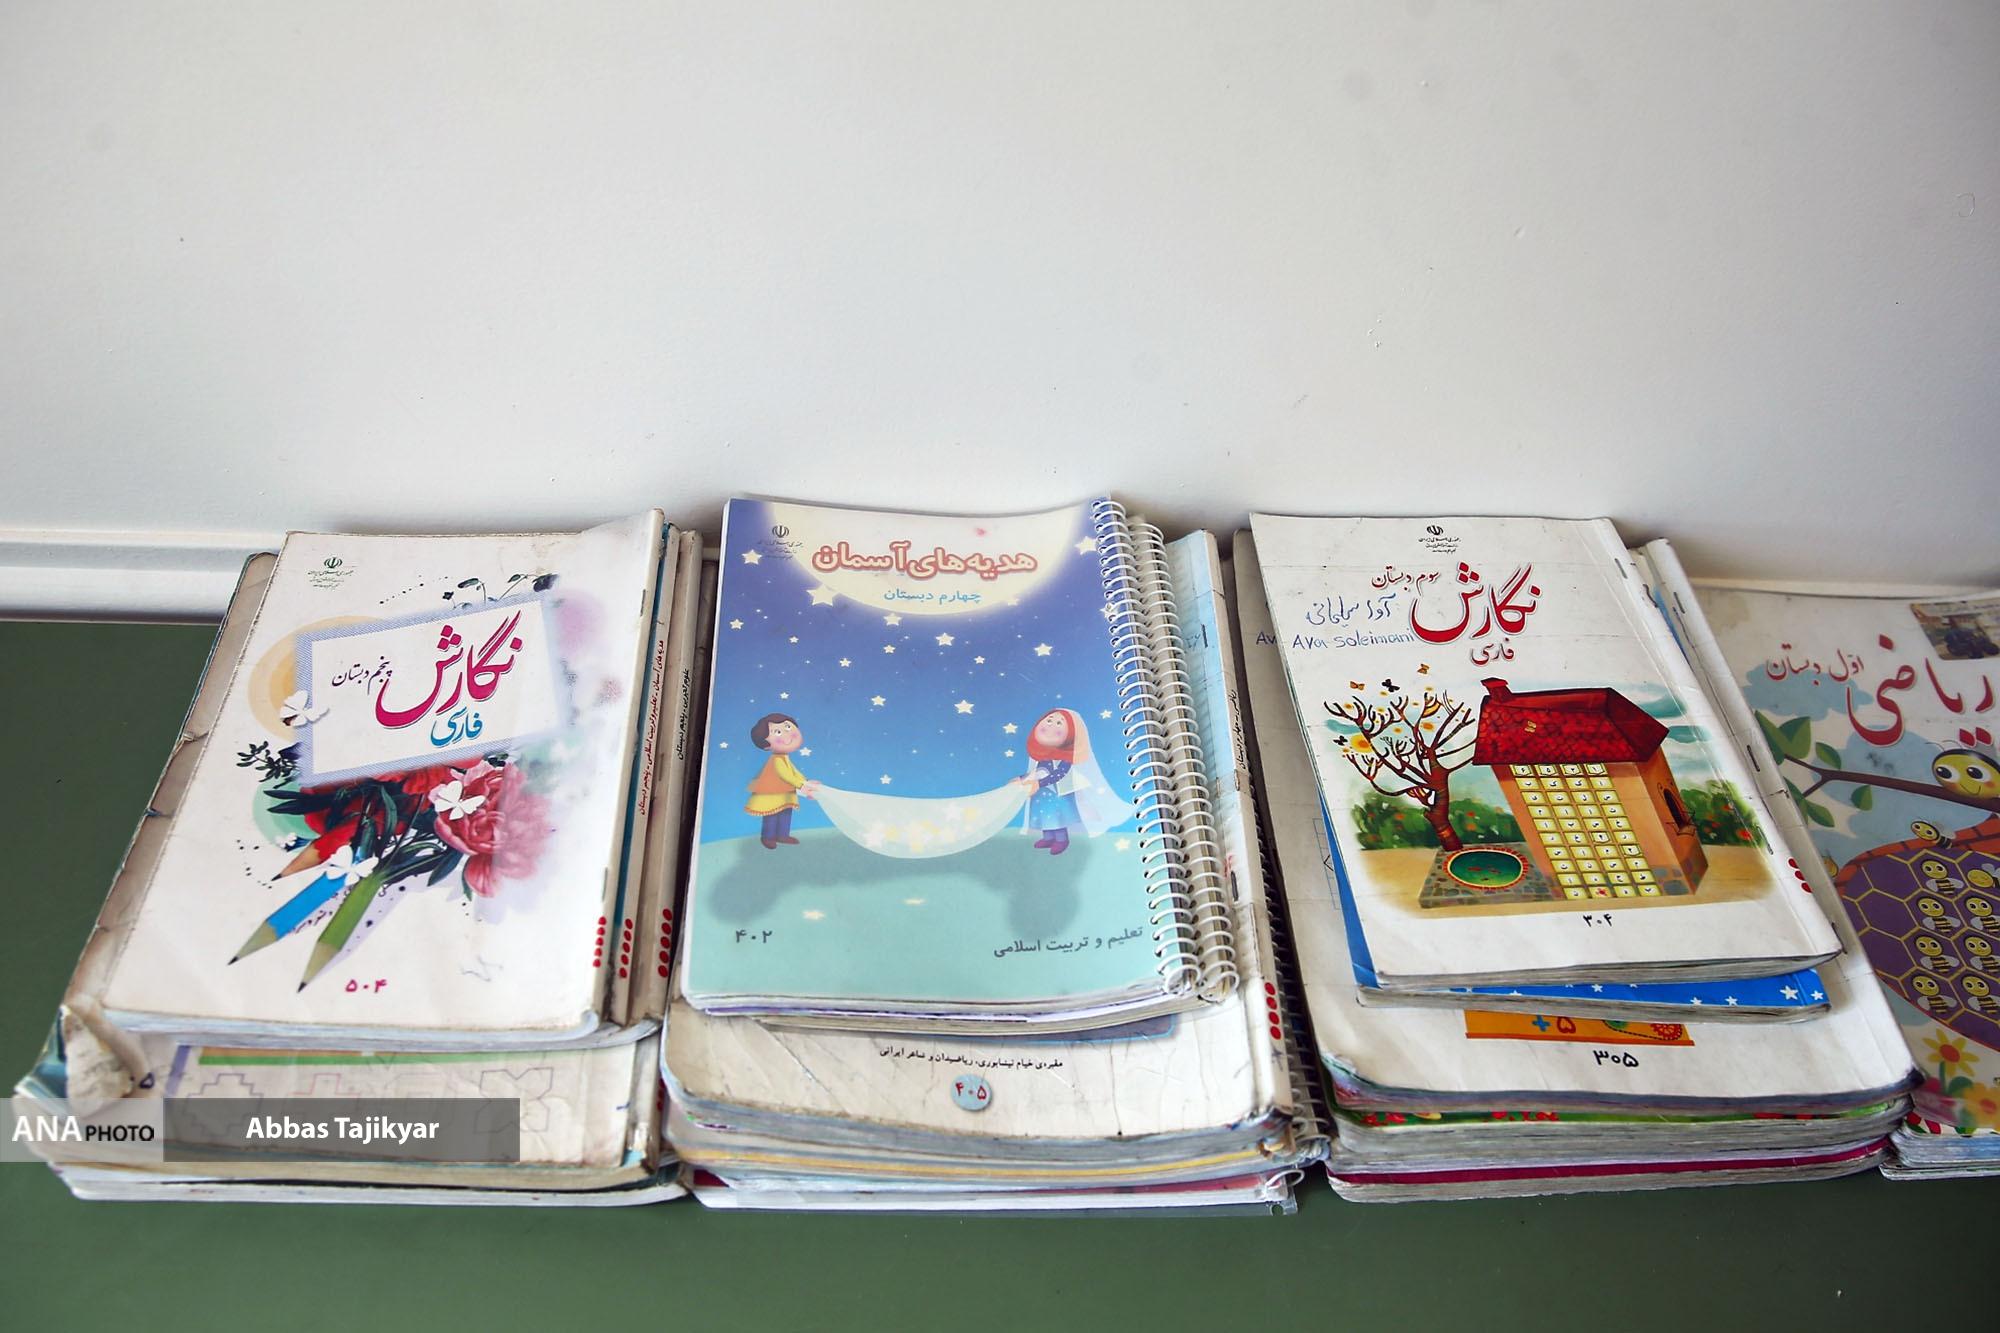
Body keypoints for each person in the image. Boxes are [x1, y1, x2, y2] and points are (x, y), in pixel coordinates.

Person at [1011, 707, 1133, 855]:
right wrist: (1022, 779)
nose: (1051, 725)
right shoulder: (1043, 757)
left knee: (1058, 818)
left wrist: (1039, 783)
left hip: (1058, 794)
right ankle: (1048, 838)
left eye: (1059, 723)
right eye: (1049, 721)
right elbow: (1038, 772)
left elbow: (1059, 774)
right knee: (1045, 817)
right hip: (1041, 795)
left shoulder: (1065, 759)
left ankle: (1061, 840)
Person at [745, 713, 819, 849]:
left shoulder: (784, 758)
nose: (787, 734)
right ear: (766, 745)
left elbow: (794, 772)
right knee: (772, 815)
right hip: (773, 794)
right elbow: (785, 775)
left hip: (785, 793)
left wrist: (806, 781)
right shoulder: (777, 760)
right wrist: (801, 785)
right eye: (778, 732)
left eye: (788, 727)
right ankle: (768, 837)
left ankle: (782, 835)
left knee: (786, 813)